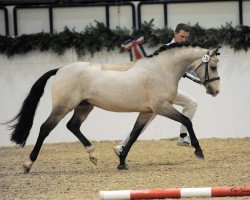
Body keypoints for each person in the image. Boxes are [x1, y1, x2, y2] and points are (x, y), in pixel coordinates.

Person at [114, 23, 197, 156]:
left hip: (169, 92)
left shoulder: (183, 51)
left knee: (191, 103)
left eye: (186, 37)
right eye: (181, 36)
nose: (183, 40)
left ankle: (182, 136)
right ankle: (122, 146)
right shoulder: (167, 50)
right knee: (144, 122)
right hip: (158, 93)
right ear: (174, 34)